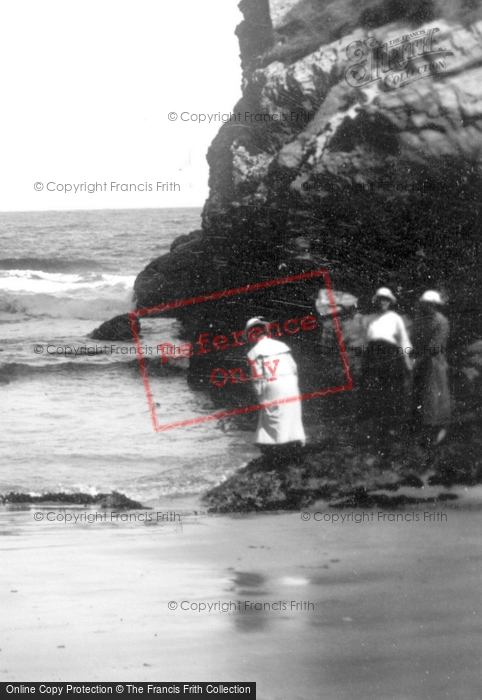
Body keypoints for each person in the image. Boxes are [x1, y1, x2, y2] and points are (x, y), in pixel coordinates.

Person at [245, 317, 306, 466]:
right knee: (291, 412)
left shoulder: (254, 352)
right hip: (290, 382)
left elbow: (257, 377)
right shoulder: (281, 346)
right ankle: (293, 445)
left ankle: (277, 450)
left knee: (271, 414)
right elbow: (294, 367)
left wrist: (260, 397)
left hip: (272, 384)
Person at [360, 287, 413, 441]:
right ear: (375, 301)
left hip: (390, 355)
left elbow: (403, 340)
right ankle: (377, 428)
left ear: (390, 302)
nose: (382, 302)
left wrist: (407, 361)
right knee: (375, 391)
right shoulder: (369, 319)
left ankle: (391, 427)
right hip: (373, 356)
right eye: (380, 300)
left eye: (386, 300)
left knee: (392, 390)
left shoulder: (395, 318)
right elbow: (366, 341)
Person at [411, 290, 451, 445]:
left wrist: (419, 359)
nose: (427, 307)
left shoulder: (441, 321)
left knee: (433, 395)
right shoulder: (420, 320)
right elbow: (414, 340)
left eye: (430, 305)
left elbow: (435, 346)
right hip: (420, 361)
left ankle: (435, 430)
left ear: (435, 305)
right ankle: (419, 428)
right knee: (418, 394)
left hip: (434, 363)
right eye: (424, 304)